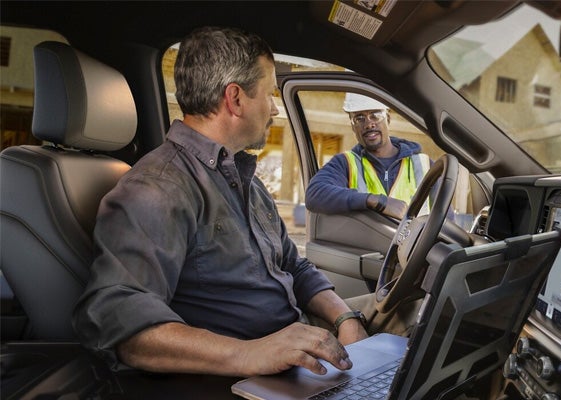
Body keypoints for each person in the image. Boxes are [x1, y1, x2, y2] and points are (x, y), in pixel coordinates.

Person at [72, 26, 368, 378]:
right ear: (236, 99)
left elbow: (293, 265)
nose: (275, 109)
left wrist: (344, 317)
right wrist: (249, 354)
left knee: (407, 322)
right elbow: (119, 318)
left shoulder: (245, 181)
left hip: (293, 347)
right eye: (270, 93)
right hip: (242, 374)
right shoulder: (158, 188)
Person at [305, 93, 430, 219]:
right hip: (365, 239)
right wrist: (376, 201)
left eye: (375, 116)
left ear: (388, 118)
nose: (369, 124)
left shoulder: (424, 165)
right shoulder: (345, 163)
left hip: (416, 239)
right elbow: (314, 194)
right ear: (353, 127)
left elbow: (445, 219)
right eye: (359, 118)